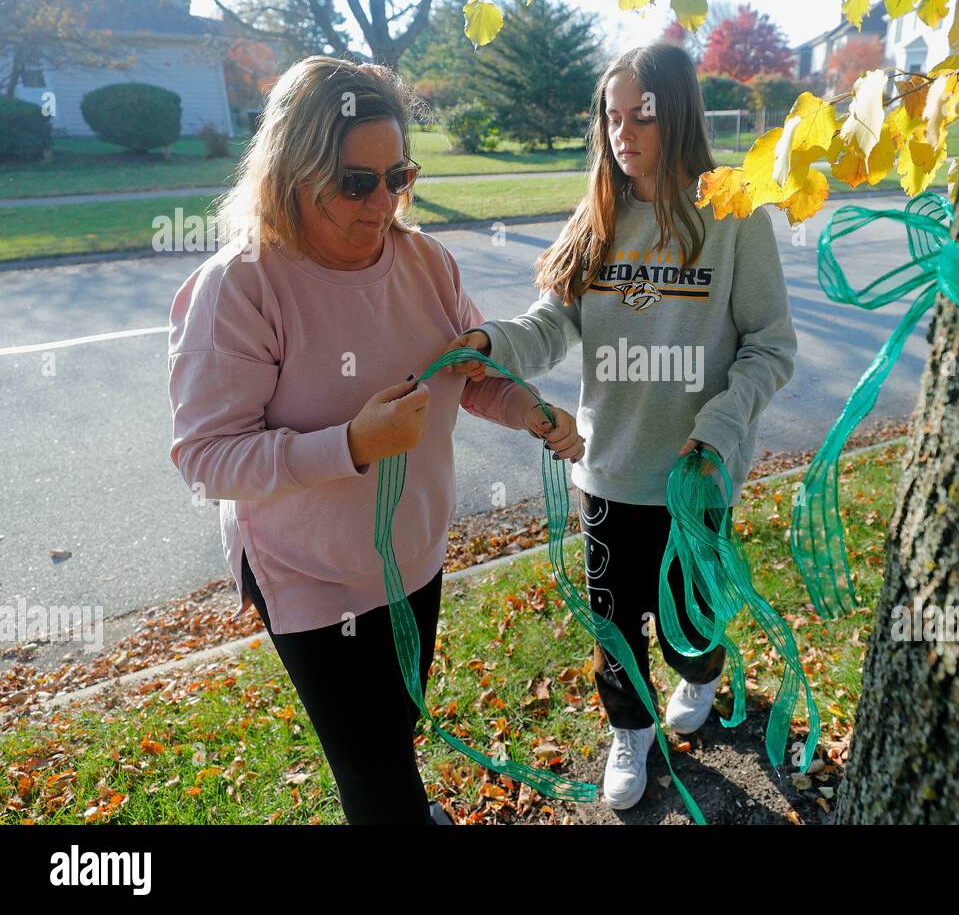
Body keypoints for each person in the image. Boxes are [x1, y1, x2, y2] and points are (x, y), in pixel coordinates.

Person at [166, 56, 583, 825]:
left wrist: (526, 408)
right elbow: (206, 458)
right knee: (376, 779)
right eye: (356, 182)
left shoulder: (426, 261)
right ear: (293, 173)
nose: (384, 202)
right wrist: (351, 443)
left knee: (398, 730)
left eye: (399, 175)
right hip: (311, 579)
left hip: (412, 556)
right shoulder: (242, 287)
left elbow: (463, 373)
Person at [438, 42, 797, 810]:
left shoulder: (734, 213)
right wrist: (490, 345)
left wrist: (719, 427)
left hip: (695, 478)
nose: (623, 132)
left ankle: (700, 673)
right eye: (612, 116)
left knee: (686, 626)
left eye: (643, 115)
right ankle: (629, 730)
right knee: (614, 625)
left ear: (682, 116)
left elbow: (771, 345)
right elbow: (549, 323)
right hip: (607, 473)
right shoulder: (599, 211)